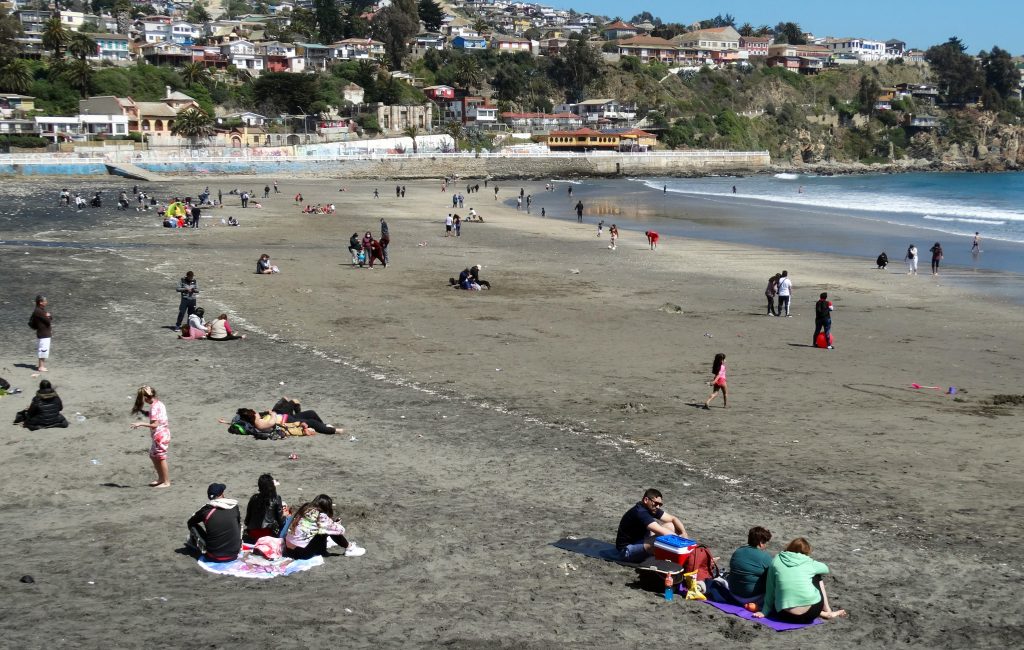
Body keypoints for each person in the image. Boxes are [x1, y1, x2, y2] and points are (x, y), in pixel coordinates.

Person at [755, 538, 847, 623]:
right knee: (817, 576)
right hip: (811, 613)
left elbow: (770, 589)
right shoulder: (808, 562)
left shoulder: (776, 560)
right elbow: (825, 569)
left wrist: (765, 612)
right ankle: (828, 611)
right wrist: (809, 562)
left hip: (784, 615)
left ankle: (824, 613)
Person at [706, 526, 773, 607]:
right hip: (752, 598)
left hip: (733, 594)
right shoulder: (764, 557)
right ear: (761, 542)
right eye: (765, 542)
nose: (765, 545)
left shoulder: (738, 551)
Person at [615, 488, 688, 562]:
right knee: (661, 541)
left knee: (671, 525)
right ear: (646, 500)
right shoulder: (640, 512)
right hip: (625, 551)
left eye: (660, 504)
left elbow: (673, 519)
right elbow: (663, 532)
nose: (658, 506)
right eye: (656, 503)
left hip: (640, 540)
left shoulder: (651, 508)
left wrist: (683, 532)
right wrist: (685, 543)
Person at [284, 494, 365, 559]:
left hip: (289, 550)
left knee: (323, 529)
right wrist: (336, 524)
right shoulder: (321, 515)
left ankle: (322, 551)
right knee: (328, 530)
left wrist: (331, 524)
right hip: (302, 553)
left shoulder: (305, 507)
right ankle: (350, 548)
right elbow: (340, 530)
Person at [186, 483, 242, 561]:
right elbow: (238, 524)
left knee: (192, 525)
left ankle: (197, 543)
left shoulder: (206, 510)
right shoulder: (234, 506)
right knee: (238, 523)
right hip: (234, 553)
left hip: (213, 555)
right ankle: (237, 544)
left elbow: (190, 522)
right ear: (222, 494)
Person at [130, 385, 170, 488]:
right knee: (153, 455)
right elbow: (155, 416)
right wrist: (144, 413)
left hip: (160, 435)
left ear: (146, 398)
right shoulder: (159, 403)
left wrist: (140, 423)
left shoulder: (154, 407)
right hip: (162, 434)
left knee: (161, 457)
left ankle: (166, 482)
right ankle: (161, 478)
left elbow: (155, 424)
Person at [244, 474, 289, 542]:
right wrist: (285, 516)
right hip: (268, 534)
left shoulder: (254, 498)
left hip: (252, 534)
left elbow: (247, 521)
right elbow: (281, 522)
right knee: (288, 519)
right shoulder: (276, 499)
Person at [222, 408, 315, 436]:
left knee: (304, 421)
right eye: (255, 413)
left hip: (282, 424)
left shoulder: (251, 422)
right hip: (281, 427)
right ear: (253, 416)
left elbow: (240, 423)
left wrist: (225, 422)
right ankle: (306, 430)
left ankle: (304, 426)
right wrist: (272, 413)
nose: (257, 413)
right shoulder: (260, 424)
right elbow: (272, 422)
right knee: (309, 428)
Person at [271, 397, 340, 434]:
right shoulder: (264, 423)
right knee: (311, 422)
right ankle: (332, 430)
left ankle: (323, 425)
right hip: (286, 420)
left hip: (282, 414)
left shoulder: (267, 414)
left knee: (311, 412)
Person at [28, 295, 52, 372]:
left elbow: (49, 318)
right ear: (41, 302)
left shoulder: (38, 310)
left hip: (41, 332)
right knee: (43, 349)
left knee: (42, 349)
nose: (46, 302)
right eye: (45, 301)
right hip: (44, 333)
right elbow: (48, 321)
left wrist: (49, 316)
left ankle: (41, 365)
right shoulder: (40, 311)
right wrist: (49, 316)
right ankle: (41, 366)